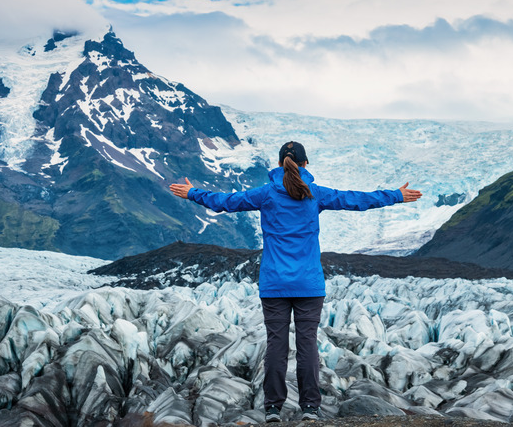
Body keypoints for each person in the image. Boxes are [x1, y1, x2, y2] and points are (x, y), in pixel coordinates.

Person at [170, 141, 422, 422]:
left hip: (274, 284)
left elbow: (225, 202)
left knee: (276, 347)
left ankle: (273, 409)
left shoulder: (266, 194)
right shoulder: (315, 194)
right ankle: (310, 408)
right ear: (305, 164)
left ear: (279, 164)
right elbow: (356, 200)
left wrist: (192, 193)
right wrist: (396, 196)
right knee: (308, 346)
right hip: (308, 284)